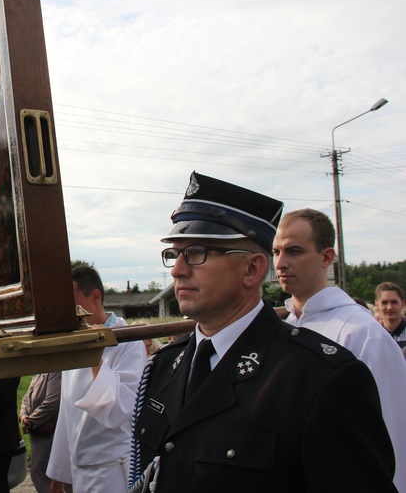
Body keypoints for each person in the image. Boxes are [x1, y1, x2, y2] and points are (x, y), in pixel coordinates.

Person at [128, 172, 395, 492]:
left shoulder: (319, 378)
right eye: (174, 254)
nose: (177, 270)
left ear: (252, 269)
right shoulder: (164, 366)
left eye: (196, 253)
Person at [273, 208, 406, 492]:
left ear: (326, 257)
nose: (281, 263)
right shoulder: (282, 329)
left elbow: (393, 435)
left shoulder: (362, 333)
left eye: (294, 251)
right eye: (276, 252)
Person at [47, 265, 147, 493]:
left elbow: (121, 408)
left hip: (112, 471)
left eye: (72, 304)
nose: (68, 312)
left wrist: (95, 356)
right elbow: (67, 410)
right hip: (79, 468)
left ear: (95, 297)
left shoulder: (128, 342)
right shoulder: (74, 342)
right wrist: (58, 473)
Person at [20, 371, 71, 493]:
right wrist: (23, 416)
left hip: (49, 434)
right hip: (37, 434)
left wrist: (31, 421)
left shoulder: (56, 371)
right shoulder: (38, 371)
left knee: (52, 476)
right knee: (38, 473)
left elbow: (52, 401)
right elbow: (26, 398)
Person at [376, 282, 406, 347]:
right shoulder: (373, 335)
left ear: (402, 304)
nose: (389, 307)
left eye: (394, 302)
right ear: (377, 304)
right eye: (384, 302)